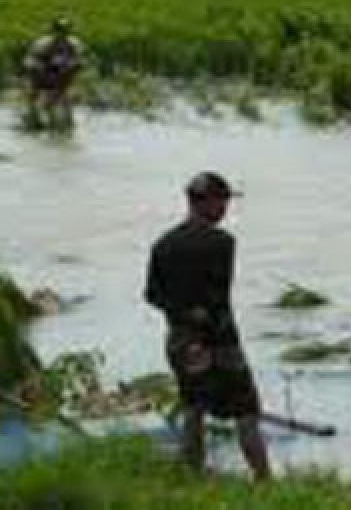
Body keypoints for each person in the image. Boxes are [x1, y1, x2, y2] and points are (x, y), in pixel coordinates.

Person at [143, 172, 272, 481]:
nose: (226, 207)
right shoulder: (223, 243)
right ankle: (264, 479)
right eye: (223, 200)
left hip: (180, 340)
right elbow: (217, 297)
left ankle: (193, 476)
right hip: (219, 341)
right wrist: (209, 337)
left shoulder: (163, 244)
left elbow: (152, 295)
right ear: (208, 202)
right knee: (246, 409)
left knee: (193, 408)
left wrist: (185, 317)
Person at [22, 17, 84, 128]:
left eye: (65, 31)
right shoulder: (43, 43)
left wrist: (71, 67)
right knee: (34, 92)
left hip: (61, 74)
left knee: (65, 94)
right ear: (54, 31)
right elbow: (30, 60)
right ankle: (33, 116)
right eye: (59, 30)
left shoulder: (74, 44)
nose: (62, 34)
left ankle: (67, 119)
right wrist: (37, 70)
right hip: (42, 72)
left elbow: (78, 60)